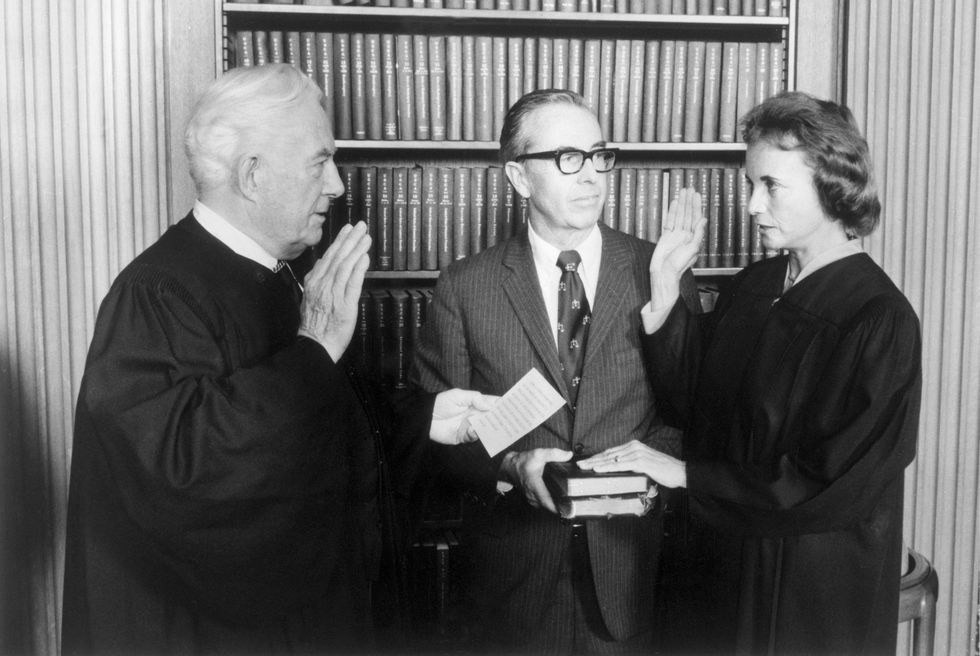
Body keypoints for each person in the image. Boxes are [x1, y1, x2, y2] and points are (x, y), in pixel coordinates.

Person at [61, 63, 492, 655]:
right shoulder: (158, 293)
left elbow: (321, 433)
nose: (337, 185)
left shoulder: (279, 277)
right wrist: (313, 349)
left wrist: (424, 419)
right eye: (320, 162)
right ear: (252, 175)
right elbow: (187, 475)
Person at [579, 91, 922, 655]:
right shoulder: (753, 287)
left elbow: (834, 482)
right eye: (750, 184)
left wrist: (690, 476)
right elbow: (691, 406)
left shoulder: (877, 318)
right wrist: (665, 288)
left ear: (831, 185)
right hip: (724, 564)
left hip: (809, 591)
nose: (752, 205)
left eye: (771, 186)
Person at [410, 89, 701, 653]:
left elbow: (687, 412)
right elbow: (434, 439)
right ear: (519, 177)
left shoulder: (661, 270)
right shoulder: (465, 287)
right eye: (568, 158)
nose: (591, 175)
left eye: (598, 155)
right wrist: (511, 466)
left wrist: (638, 489)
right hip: (512, 588)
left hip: (630, 575)